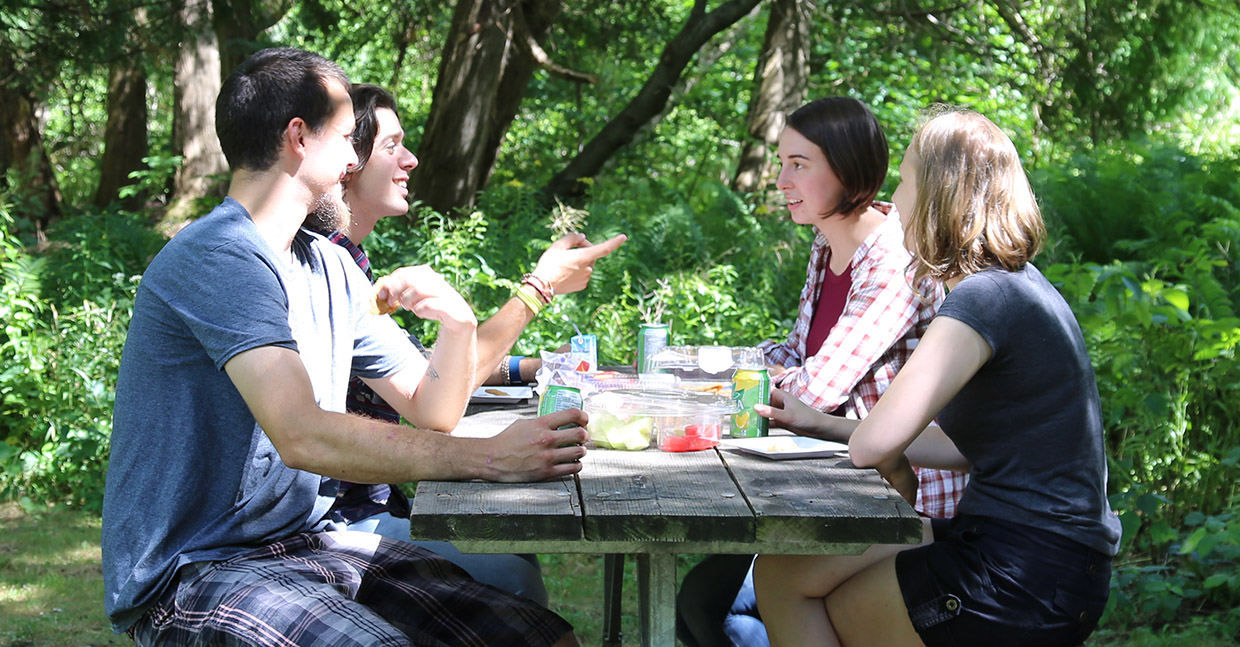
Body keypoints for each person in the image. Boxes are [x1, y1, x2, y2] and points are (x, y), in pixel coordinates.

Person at [102, 47, 585, 647]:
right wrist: (489, 459)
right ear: (298, 138)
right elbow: (302, 432)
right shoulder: (218, 255)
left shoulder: (331, 265)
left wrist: (457, 324)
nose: (355, 159)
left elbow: (432, 409)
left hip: (307, 544)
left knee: (538, 638)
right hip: (194, 570)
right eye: (346, 138)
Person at [752, 107, 1121, 646]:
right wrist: (817, 424)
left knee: (840, 606)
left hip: (1028, 565)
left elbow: (875, 446)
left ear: (939, 194)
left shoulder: (984, 298)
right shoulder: (1017, 285)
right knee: (783, 575)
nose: (896, 200)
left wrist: (887, 467)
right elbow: (957, 446)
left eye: (904, 182)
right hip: (1031, 548)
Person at [315, 83, 625, 604]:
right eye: (392, 146)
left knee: (513, 547)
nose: (411, 159)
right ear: (348, 159)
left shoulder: (350, 258)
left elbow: (424, 371)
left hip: (375, 502)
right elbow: (436, 398)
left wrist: (532, 367)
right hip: (341, 518)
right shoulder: (327, 263)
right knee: (514, 574)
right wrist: (537, 289)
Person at [676, 96, 965, 647]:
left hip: (911, 498)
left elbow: (817, 391)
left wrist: (729, 384)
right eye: (781, 163)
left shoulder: (892, 262)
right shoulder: (828, 243)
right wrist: (697, 366)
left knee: (710, 604)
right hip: (838, 482)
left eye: (799, 165)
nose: (781, 180)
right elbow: (793, 355)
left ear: (849, 169)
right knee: (705, 600)